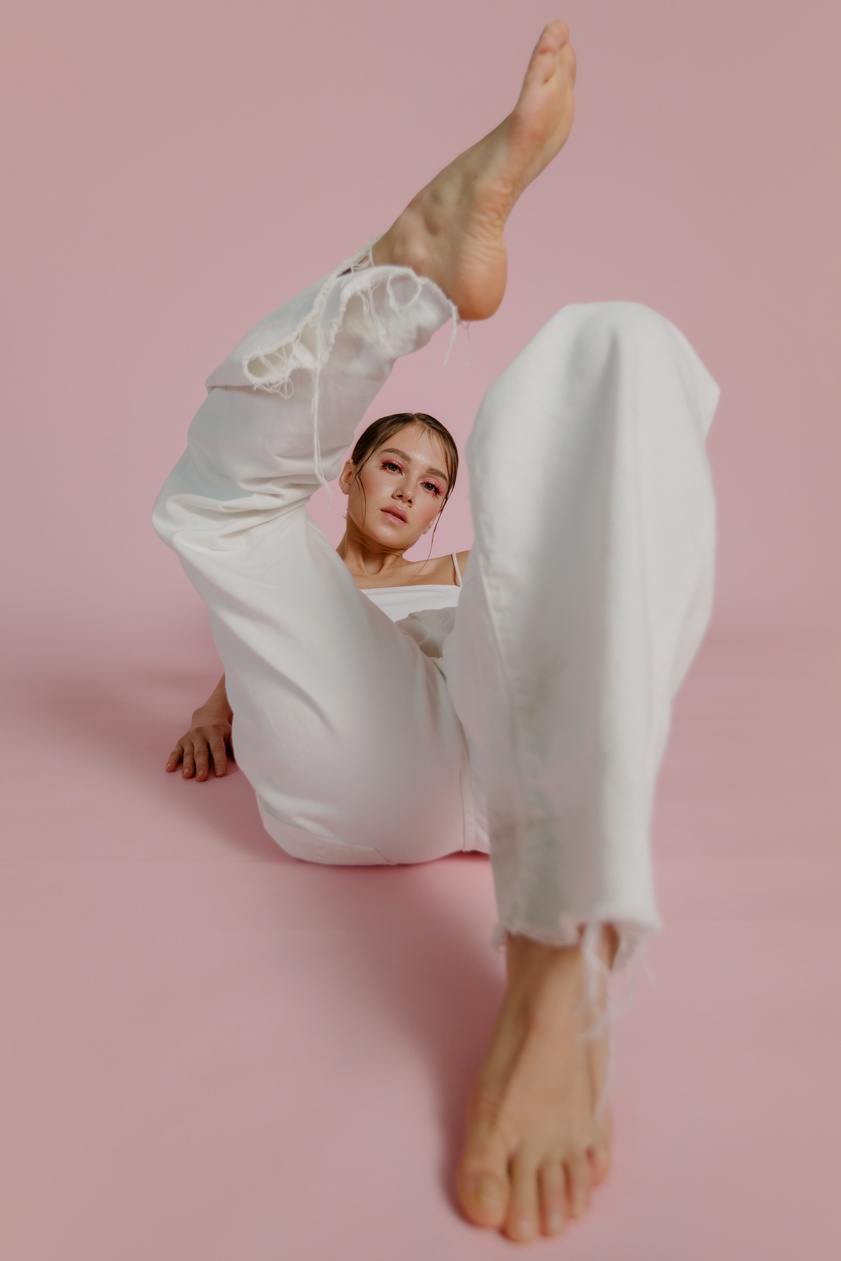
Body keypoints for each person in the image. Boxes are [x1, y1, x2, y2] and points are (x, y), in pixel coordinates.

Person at [154, 20, 719, 1243]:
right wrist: (214, 710)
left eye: (429, 481)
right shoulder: (311, 592)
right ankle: (396, 284)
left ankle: (564, 943)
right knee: (225, 514)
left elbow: (584, 567)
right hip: (390, 777)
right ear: (347, 479)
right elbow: (255, 658)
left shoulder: (462, 572)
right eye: (390, 468)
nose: (409, 492)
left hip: (531, 738)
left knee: (617, 344)